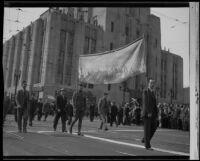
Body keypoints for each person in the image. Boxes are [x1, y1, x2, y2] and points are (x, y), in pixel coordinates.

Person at [141, 79, 158, 150]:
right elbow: (145, 103)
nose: (152, 84)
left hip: (153, 115)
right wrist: (148, 112)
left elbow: (154, 105)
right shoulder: (145, 92)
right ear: (148, 84)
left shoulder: (153, 93)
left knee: (154, 127)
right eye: (151, 83)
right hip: (147, 114)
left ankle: (145, 139)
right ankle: (147, 146)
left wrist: (157, 114)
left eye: (153, 83)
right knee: (147, 130)